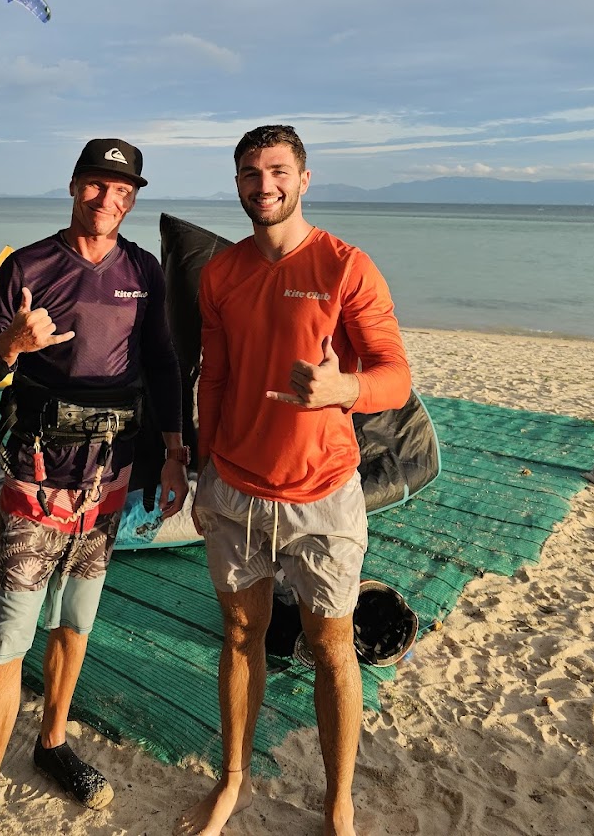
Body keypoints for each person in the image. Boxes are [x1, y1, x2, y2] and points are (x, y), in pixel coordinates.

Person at [176, 125, 411, 836]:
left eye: (278, 170)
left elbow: (396, 377)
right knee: (240, 633)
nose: (263, 185)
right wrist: (204, 463)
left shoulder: (347, 267)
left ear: (305, 178)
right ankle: (233, 779)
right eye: (250, 172)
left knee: (332, 646)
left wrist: (345, 388)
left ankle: (337, 800)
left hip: (322, 497)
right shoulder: (221, 272)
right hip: (236, 490)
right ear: (238, 183)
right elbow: (213, 373)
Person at [0, 138, 188, 836]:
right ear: (73, 186)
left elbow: (165, 364)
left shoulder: (142, 270)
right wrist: (12, 346)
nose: (108, 199)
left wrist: (176, 450)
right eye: (96, 185)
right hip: (34, 481)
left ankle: (53, 739)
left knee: (76, 622)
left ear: (133, 198)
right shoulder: (28, 264)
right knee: (6, 642)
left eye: (123, 190)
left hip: (106, 485)